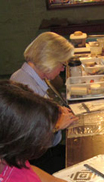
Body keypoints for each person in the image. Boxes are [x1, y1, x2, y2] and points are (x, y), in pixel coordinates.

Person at [11, 32, 78, 174]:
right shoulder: (25, 86)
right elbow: (29, 141)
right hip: (35, 159)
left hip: (45, 150)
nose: (62, 69)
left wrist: (57, 110)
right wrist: (57, 125)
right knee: (81, 159)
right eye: (61, 64)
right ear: (50, 60)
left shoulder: (34, 76)